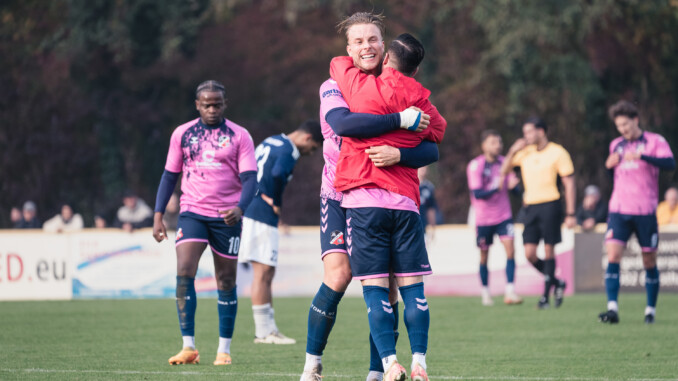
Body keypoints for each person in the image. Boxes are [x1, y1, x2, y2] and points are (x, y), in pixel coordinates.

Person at [301, 12, 439, 381]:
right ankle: (312, 364)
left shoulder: (401, 85)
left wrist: (401, 154)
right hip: (338, 191)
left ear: (385, 44)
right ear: (348, 49)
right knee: (340, 274)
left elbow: (432, 149)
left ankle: (378, 372)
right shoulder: (333, 83)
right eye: (358, 41)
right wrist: (400, 121)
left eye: (373, 39)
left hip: (383, 195)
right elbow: (345, 124)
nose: (367, 47)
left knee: (389, 284)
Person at [152, 80, 257, 366]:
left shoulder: (240, 135)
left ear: (225, 104)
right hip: (192, 212)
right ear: (197, 105)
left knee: (226, 280)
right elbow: (169, 175)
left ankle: (224, 349)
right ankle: (188, 347)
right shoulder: (182, 134)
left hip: (227, 217)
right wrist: (158, 213)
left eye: (217, 104)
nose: (212, 109)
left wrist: (240, 208)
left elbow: (250, 179)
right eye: (207, 104)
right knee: (185, 269)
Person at [239, 121, 322, 344]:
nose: (310, 153)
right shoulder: (289, 150)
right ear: (307, 138)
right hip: (261, 213)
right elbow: (277, 174)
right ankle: (264, 332)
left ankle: (268, 329)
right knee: (264, 272)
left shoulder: (272, 140)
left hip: (251, 208)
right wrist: (274, 200)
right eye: (313, 148)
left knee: (265, 272)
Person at [598, 100, 675, 325]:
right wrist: (608, 166)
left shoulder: (655, 141)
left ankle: (650, 310)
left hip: (645, 210)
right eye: (619, 126)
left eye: (626, 125)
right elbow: (614, 173)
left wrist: (643, 157)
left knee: (649, 261)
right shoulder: (616, 145)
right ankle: (612, 309)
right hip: (619, 210)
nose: (623, 130)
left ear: (636, 120)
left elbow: (670, 164)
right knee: (612, 256)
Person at [501, 117, 576, 310]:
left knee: (549, 250)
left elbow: (569, 183)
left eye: (529, 132)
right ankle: (557, 282)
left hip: (551, 204)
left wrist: (570, 212)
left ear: (541, 131)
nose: (526, 136)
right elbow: (503, 171)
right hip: (530, 207)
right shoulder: (524, 152)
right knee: (530, 254)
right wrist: (512, 150)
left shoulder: (558, 152)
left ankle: (544, 297)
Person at [467, 130, 523, 306]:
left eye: (499, 142)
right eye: (493, 142)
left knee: (511, 250)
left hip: (504, 216)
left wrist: (515, 187)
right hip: (484, 218)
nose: (497, 145)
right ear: (484, 145)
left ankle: (510, 291)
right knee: (484, 256)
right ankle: (485, 292)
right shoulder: (476, 165)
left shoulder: (505, 163)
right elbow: (477, 193)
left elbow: (516, 191)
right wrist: (497, 187)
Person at [418, 166, 438, 242]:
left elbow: (431, 209)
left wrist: (433, 228)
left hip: (423, 227)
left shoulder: (429, 187)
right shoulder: (408, 185)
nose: (423, 170)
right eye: (421, 167)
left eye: (425, 167)